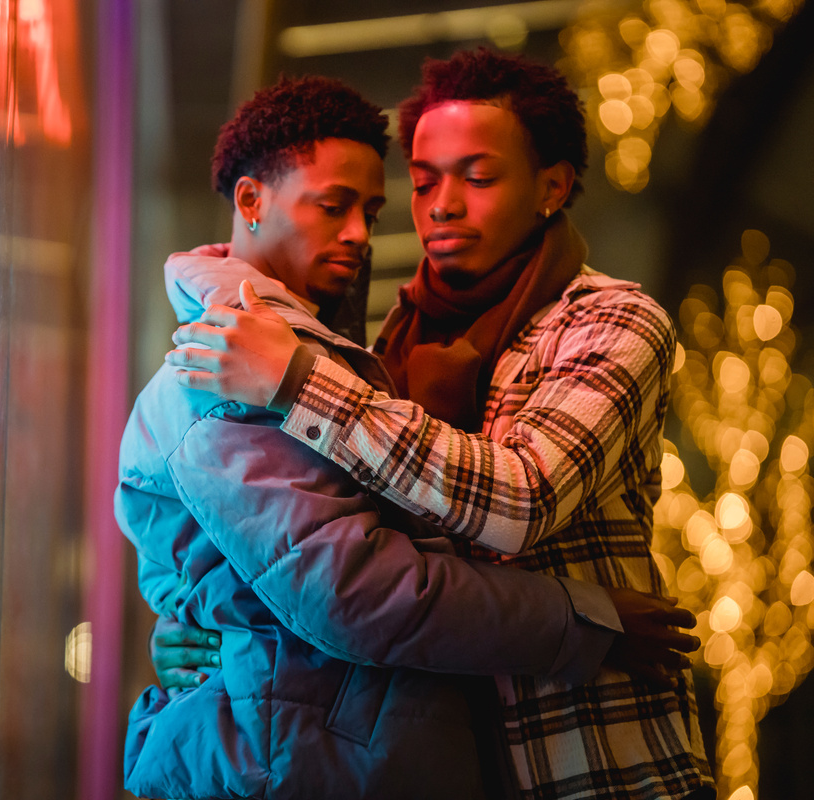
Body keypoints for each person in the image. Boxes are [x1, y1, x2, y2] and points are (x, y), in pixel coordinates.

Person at [118, 74, 700, 800]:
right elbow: (336, 578)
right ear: (250, 202)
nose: (440, 207)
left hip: (585, 752)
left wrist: (299, 380)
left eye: (478, 177)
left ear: (552, 186)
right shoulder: (377, 340)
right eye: (424, 183)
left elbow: (518, 500)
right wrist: (202, 624)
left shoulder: (606, 320)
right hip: (440, 745)